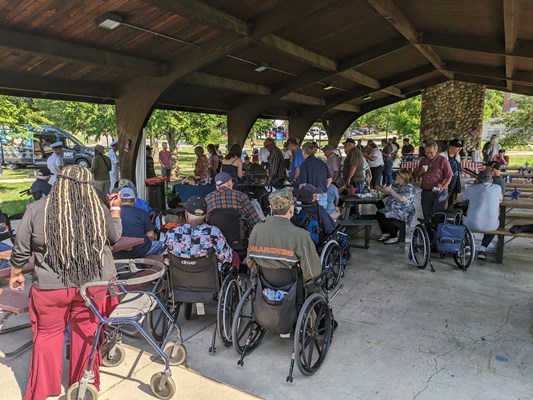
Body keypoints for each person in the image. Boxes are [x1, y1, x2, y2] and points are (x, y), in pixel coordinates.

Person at [9, 165, 122, 400]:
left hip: (51, 287)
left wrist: (16, 272)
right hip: (93, 286)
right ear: (89, 186)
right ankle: (83, 387)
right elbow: (113, 238)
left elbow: (20, 248)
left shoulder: (37, 208)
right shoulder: (99, 209)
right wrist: (116, 210)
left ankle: (42, 391)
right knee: (86, 334)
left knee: (47, 335)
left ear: (58, 183)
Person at [247, 188, 322, 283]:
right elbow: (312, 272)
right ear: (291, 209)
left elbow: (250, 261)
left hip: (263, 284)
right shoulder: (301, 235)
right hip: (292, 287)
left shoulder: (257, 230)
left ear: (271, 208)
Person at [165, 196, 235, 271]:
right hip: (209, 279)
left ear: (186, 214)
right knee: (235, 256)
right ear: (205, 215)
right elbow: (228, 258)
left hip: (178, 279)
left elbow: (166, 259)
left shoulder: (172, 233)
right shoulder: (214, 233)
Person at [461, 170, 503, 260]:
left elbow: (463, 198)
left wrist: (474, 186)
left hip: (472, 224)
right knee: (494, 224)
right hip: (491, 226)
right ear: (491, 179)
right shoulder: (498, 188)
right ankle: (482, 250)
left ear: (478, 179)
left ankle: (467, 246)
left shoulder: (471, 188)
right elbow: (500, 200)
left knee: (460, 222)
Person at [113, 187, 165, 259]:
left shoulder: (112, 214)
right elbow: (151, 235)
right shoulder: (142, 213)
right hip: (140, 251)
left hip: (117, 252)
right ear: (135, 200)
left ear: (119, 200)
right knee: (163, 244)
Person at [414, 142, 453, 220]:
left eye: (431, 152)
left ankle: (437, 231)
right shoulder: (423, 160)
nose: (428, 155)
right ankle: (428, 231)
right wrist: (421, 171)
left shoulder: (443, 161)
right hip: (426, 191)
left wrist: (442, 186)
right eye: (426, 153)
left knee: (437, 216)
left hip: (439, 192)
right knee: (426, 215)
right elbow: (416, 175)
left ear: (436, 151)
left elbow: (449, 176)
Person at [375, 170, 416, 244]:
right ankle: (386, 233)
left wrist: (391, 191)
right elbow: (391, 193)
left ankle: (394, 237)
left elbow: (402, 199)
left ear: (403, 178)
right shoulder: (402, 186)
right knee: (379, 213)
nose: (396, 179)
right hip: (396, 209)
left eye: (398, 178)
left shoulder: (409, 187)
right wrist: (380, 189)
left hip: (404, 211)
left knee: (384, 215)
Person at [440, 139, 463, 209]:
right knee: (442, 203)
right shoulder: (441, 156)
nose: (459, 149)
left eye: (460, 147)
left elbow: (459, 169)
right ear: (451, 147)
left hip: (455, 183)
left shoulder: (457, 156)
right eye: (457, 147)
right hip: (445, 183)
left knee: (452, 203)